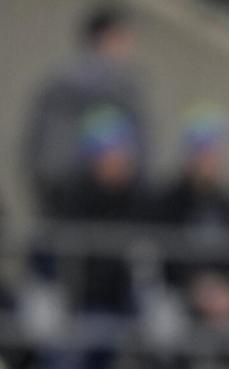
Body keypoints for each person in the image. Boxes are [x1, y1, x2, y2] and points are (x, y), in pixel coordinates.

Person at [23, 4, 149, 216]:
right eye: (123, 39)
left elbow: (143, 149)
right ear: (104, 38)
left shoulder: (130, 90)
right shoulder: (66, 85)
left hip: (119, 206)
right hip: (71, 203)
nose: (130, 49)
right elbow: (52, 153)